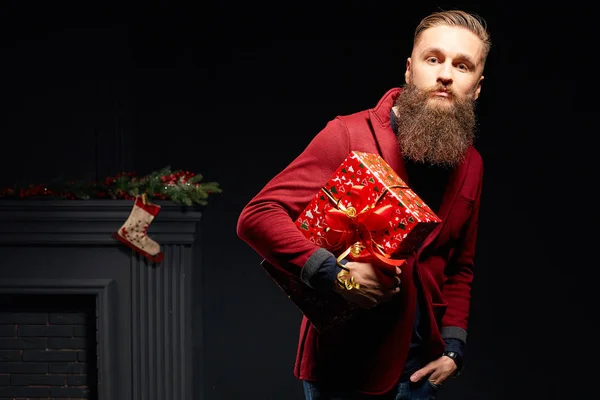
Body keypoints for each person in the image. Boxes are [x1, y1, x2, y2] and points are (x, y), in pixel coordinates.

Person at [237, 9, 491, 400]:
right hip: (345, 370)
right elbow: (257, 216)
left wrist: (454, 348)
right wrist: (334, 274)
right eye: (433, 59)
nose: (445, 74)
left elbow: (460, 265)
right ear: (410, 70)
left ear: (476, 86)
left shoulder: (471, 163)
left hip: (422, 374)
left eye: (462, 65)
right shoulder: (347, 134)